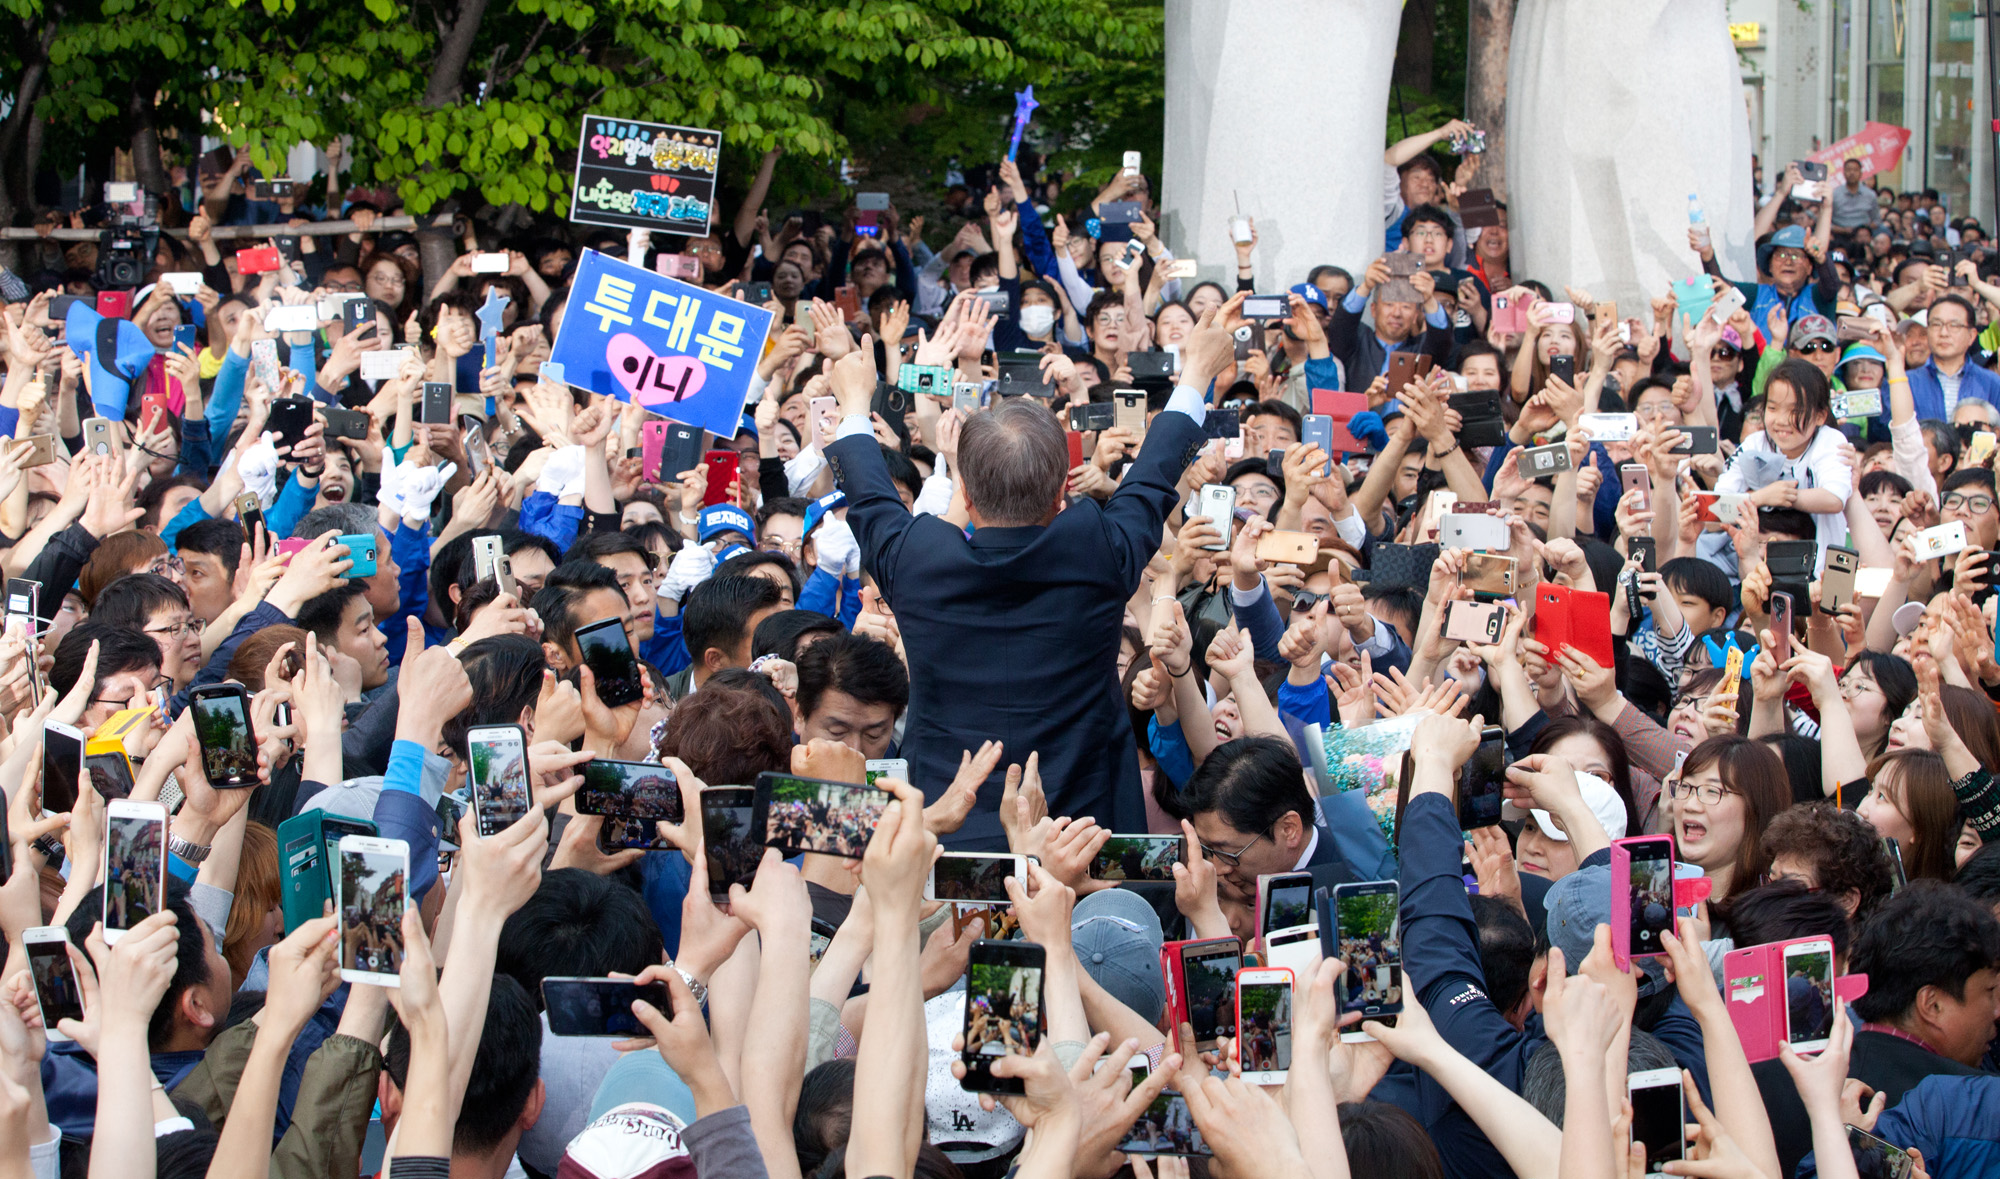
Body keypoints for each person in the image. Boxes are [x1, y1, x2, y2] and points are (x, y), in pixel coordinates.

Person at [821, 310, 1227, 845]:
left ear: (965, 496)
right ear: (1061, 494)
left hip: (947, 836)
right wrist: (1195, 373)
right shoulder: (1099, 550)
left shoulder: (916, 559)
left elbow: (871, 498)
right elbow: (1152, 479)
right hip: (1081, 837)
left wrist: (855, 403)